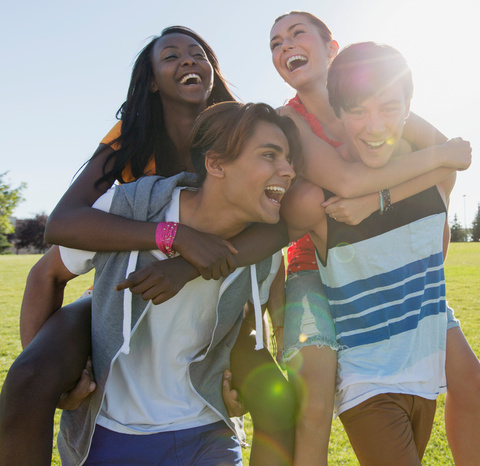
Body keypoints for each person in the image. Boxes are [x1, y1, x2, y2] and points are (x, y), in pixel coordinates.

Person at [0, 27, 294, 466]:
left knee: (278, 399)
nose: (189, 61)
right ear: (152, 80)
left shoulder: (236, 128)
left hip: (211, 286)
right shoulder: (132, 137)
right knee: (28, 378)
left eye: (198, 54)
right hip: (125, 284)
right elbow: (63, 224)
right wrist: (173, 236)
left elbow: (277, 229)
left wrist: (186, 266)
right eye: (172, 56)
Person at [269, 12, 480, 465]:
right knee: (317, 394)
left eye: (297, 33)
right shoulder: (290, 118)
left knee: (469, 377)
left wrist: (380, 200)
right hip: (318, 263)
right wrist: (384, 191)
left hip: (380, 251)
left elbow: (448, 161)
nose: (285, 45)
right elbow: (347, 182)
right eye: (275, 42)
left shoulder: (380, 93)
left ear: (332, 48)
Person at [54, 101, 299, 464]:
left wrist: (242, 382)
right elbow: (47, 273)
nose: (289, 171)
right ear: (215, 164)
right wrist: (55, 377)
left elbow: (245, 323)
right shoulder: (131, 208)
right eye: (270, 155)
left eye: (290, 159)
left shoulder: (263, 251)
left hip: (206, 431)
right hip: (113, 431)